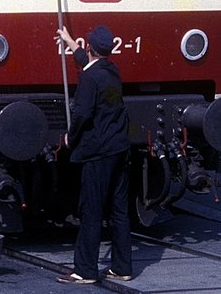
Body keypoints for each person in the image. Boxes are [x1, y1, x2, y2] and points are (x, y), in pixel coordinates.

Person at [55, 25, 133, 285]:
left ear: (90, 48)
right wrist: (68, 42)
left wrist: (70, 137)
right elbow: (89, 64)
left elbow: (82, 114)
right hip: (120, 149)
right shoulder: (112, 72)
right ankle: (122, 267)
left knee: (91, 210)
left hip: (98, 152)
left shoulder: (90, 80)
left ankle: (85, 270)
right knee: (119, 210)